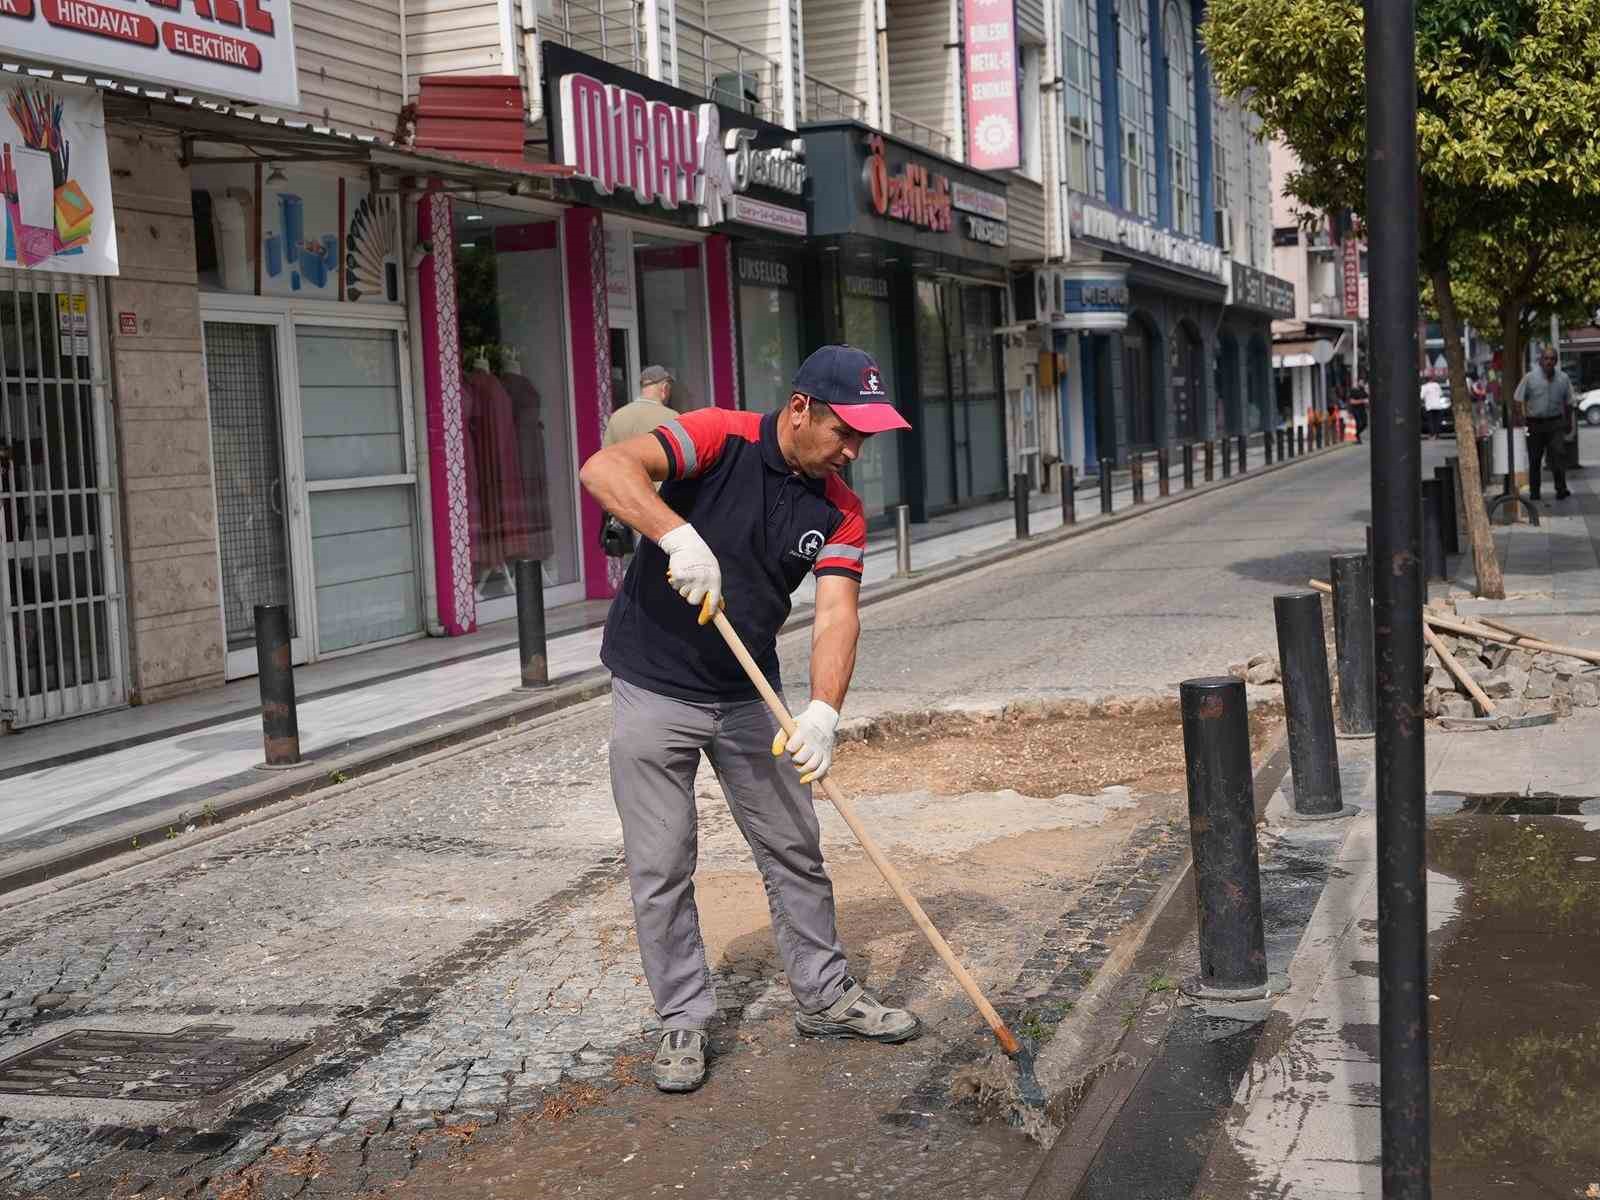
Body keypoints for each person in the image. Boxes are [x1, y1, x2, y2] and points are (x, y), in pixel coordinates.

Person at [579, 345, 918, 1095]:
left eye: (866, 436)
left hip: (746, 690)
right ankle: (682, 1018)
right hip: (653, 683)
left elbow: (836, 612)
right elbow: (604, 471)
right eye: (845, 431)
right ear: (801, 409)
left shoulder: (841, 509)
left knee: (795, 846)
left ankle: (825, 997)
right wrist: (675, 533)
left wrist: (824, 711)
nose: (855, 450)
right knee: (661, 864)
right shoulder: (715, 437)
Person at [1514, 347, 1576, 501]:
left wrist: (1568, 422)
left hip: (1555, 423)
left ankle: (1561, 489)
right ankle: (1535, 492)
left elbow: (1569, 403)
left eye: (1552, 359)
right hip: (1534, 424)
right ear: (1540, 360)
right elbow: (1518, 399)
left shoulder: (1563, 379)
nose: (1549, 361)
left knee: (1558, 455)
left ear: (1556, 361)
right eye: (1546, 358)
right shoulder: (1530, 378)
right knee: (1535, 458)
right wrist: (1521, 418)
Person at [605, 364, 677, 447]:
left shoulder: (617, 416)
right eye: (670, 389)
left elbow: (605, 455)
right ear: (665, 388)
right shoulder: (672, 418)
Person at [1347, 378, 1370, 444]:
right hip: (1356, 410)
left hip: (1362, 410)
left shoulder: (1364, 391)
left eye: (1363, 382)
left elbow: (1367, 401)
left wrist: (1367, 401)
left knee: (1365, 424)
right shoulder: (1354, 391)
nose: (1362, 384)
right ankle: (1357, 438)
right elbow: (1352, 401)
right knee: (1359, 424)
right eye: (1361, 382)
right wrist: (1362, 401)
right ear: (1358, 383)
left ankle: (1356, 435)